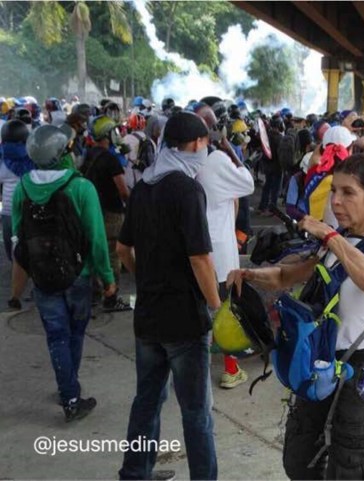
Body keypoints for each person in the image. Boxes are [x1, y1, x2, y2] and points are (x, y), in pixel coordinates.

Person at [227, 140, 364, 479]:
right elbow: (286, 274)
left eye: (348, 193)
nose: (336, 201)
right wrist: (249, 274)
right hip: (320, 363)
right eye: (334, 190)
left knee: (347, 469)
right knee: (299, 459)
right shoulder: (335, 241)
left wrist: (329, 236)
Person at [116, 112, 221, 480]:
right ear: (195, 144)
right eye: (206, 143)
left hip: (148, 315)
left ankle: (134, 473)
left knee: (146, 400)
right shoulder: (187, 189)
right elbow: (200, 259)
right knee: (196, 412)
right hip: (185, 320)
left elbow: (123, 249)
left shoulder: (144, 186)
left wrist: (146, 279)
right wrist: (216, 305)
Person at [13, 125, 116, 420]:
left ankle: (67, 388)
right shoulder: (81, 187)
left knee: (56, 335)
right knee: (75, 333)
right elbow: (96, 239)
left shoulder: (22, 186)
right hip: (78, 276)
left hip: (42, 278)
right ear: (63, 154)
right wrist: (107, 278)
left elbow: (17, 238)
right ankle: (71, 395)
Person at [195, 107, 255, 389]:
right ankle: (230, 370)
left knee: (198, 311)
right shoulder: (217, 159)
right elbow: (247, 184)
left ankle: (193, 371)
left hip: (192, 249)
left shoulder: (178, 161)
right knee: (224, 311)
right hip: (217, 250)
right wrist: (230, 150)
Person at [82, 115, 131, 311]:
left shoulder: (89, 154)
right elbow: (123, 191)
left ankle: (94, 293)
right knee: (113, 254)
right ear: (109, 135)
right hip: (111, 213)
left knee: (94, 252)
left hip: (92, 211)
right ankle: (111, 296)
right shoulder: (110, 159)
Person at [0, 120, 35, 261]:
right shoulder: (34, 155)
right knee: (31, 246)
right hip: (31, 207)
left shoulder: (2, 158)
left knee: (12, 251)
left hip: (8, 210)